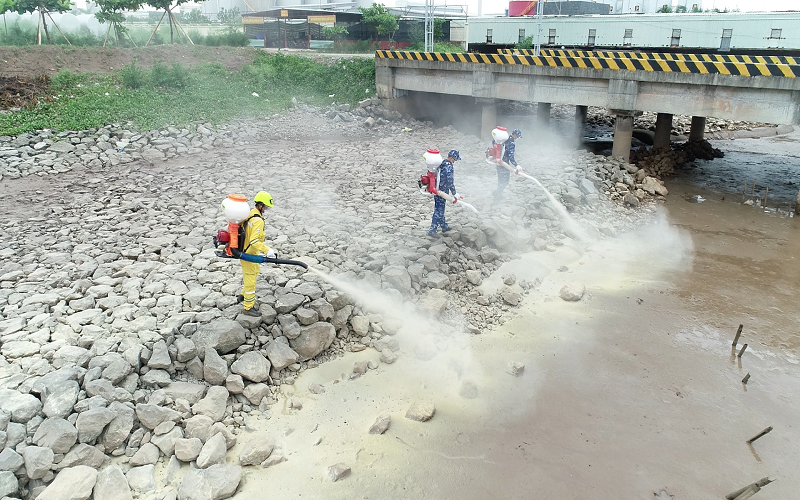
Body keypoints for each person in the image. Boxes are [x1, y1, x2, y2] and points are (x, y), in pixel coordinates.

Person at [239, 191, 277, 316]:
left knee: (255, 272)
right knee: (251, 281)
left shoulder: (250, 213)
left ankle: (242, 296)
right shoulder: (258, 220)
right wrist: (267, 250)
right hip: (248, 254)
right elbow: (254, 240)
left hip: (248, 252)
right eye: (265, 206)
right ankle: (248, 308)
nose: (266, 209)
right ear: (260, 205)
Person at [428, 150, 462, 237]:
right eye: (455, 159)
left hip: (437, 189)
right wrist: (454, 193)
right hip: (442, 192)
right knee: (439, 211)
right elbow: (450, 182)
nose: (455, 161)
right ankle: (432, 230)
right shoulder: (449, 167)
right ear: (452, 158)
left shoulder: (443, 163)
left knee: (439, 208)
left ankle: (444, 226)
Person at [495, 128, 523, 198]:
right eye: (518, 136)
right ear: (515, 135)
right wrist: (516, 165)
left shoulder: (504, 139)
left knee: (500, 181)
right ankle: (496, 193)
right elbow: (511, 157)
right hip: (504, 164)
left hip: (498, 162)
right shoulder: (511, 143)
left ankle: (499, 195)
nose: (517, 138)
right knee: (505, 182)